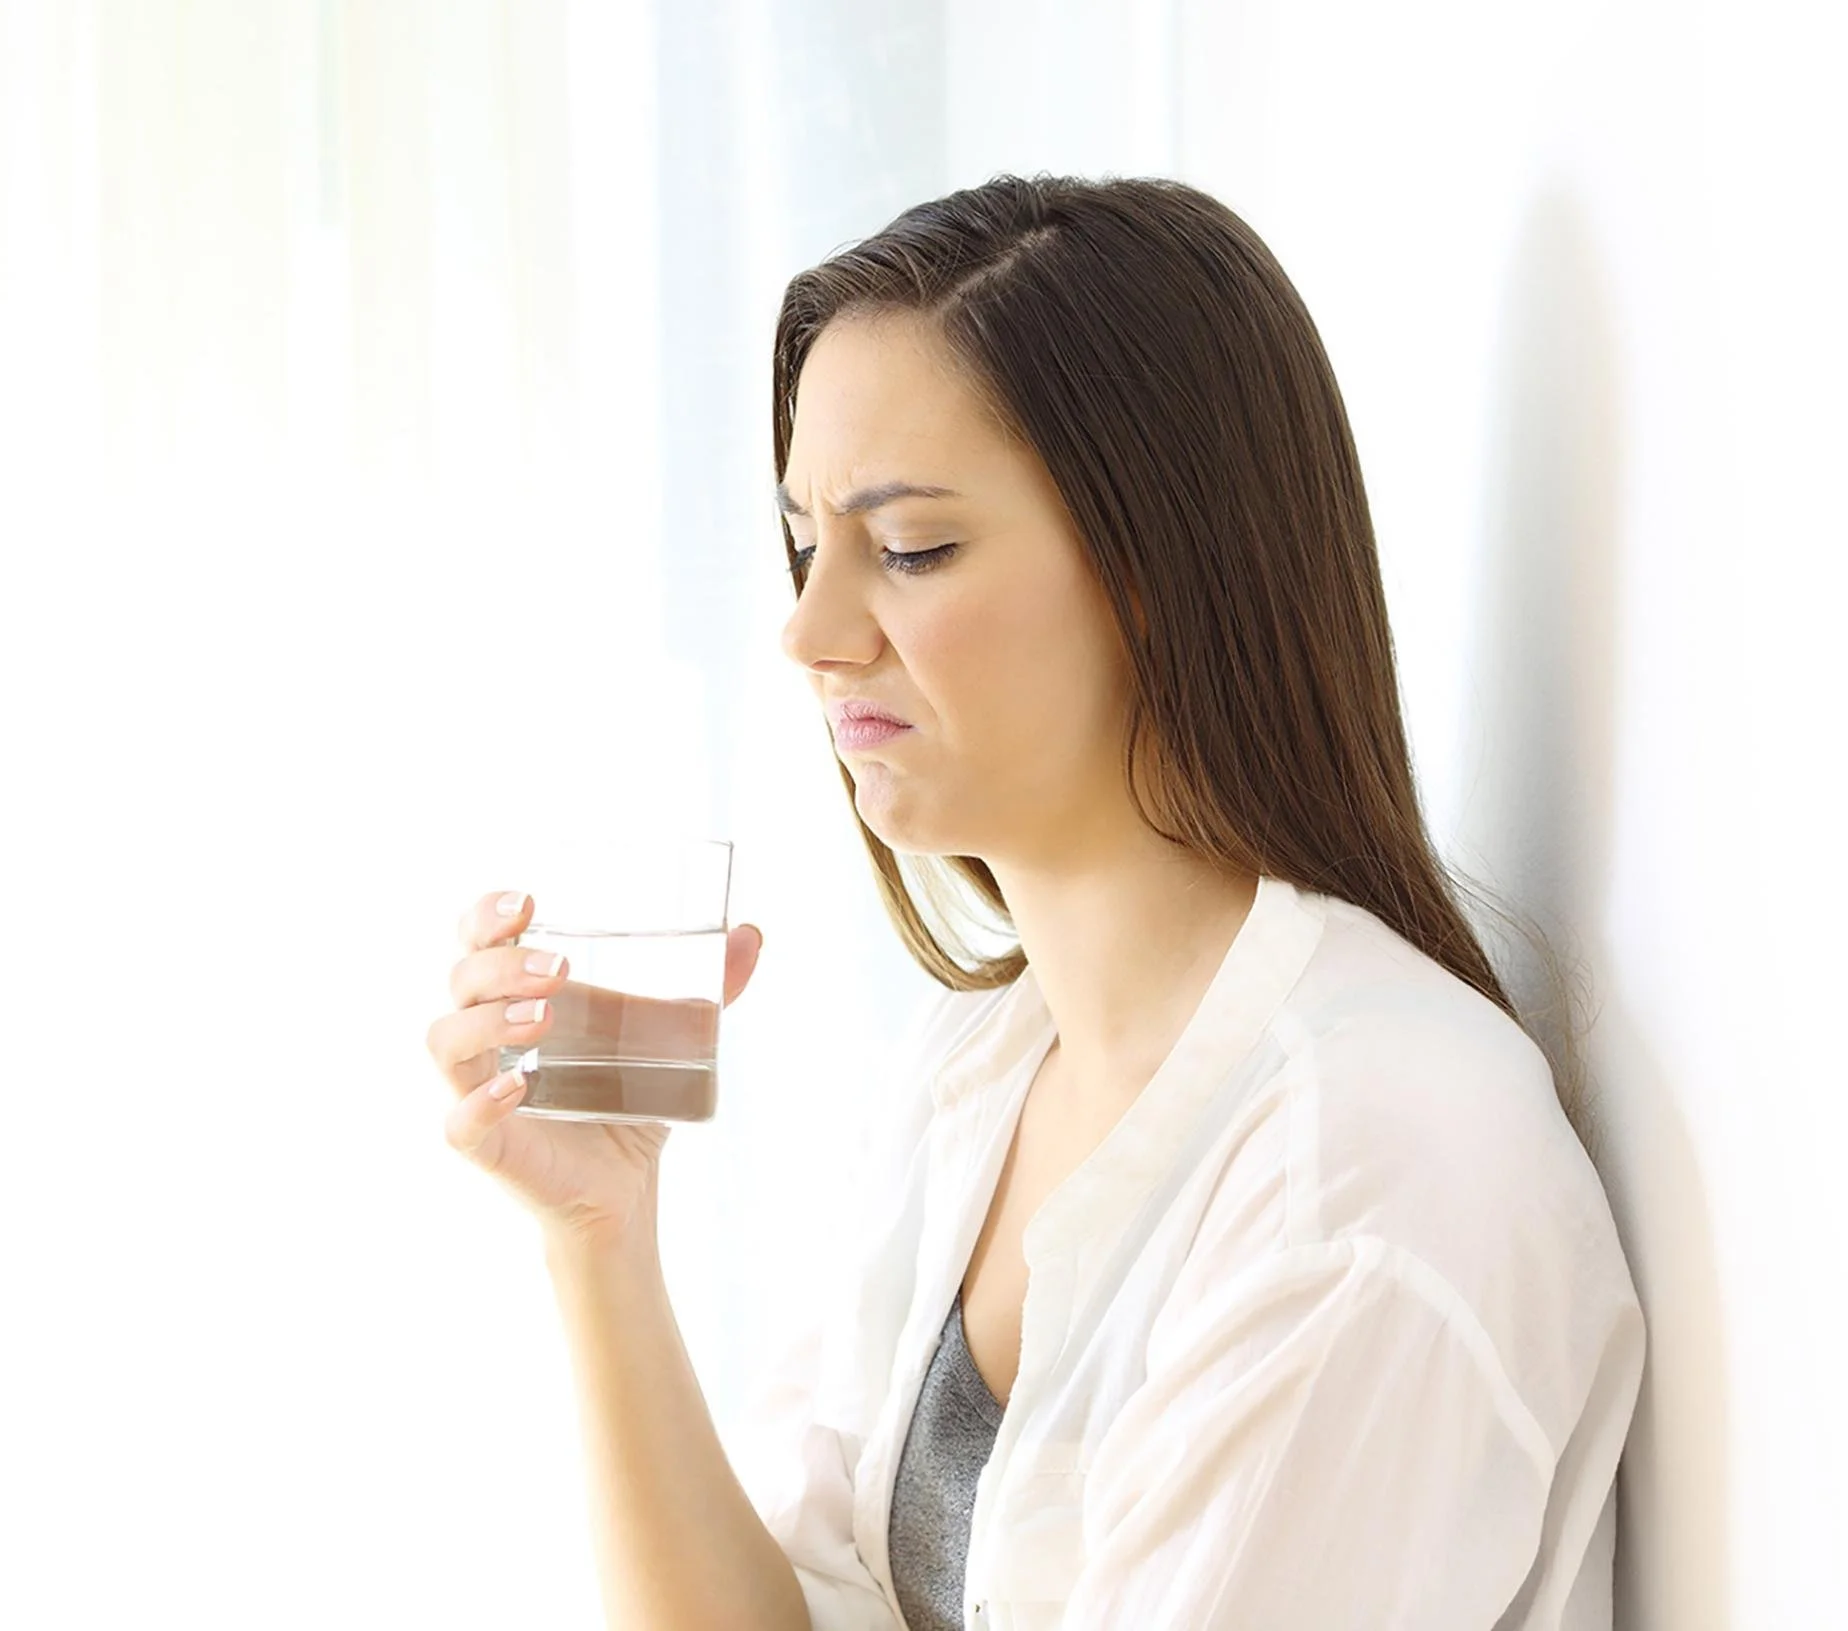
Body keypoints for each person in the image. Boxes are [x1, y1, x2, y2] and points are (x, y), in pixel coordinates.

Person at [424, 173, 1646, 1631]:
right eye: (810, 544)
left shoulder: (1373, 1175)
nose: (810, 632)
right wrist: (600, 1236)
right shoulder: (984, 1064)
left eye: (913, 549)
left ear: (1161, 566)